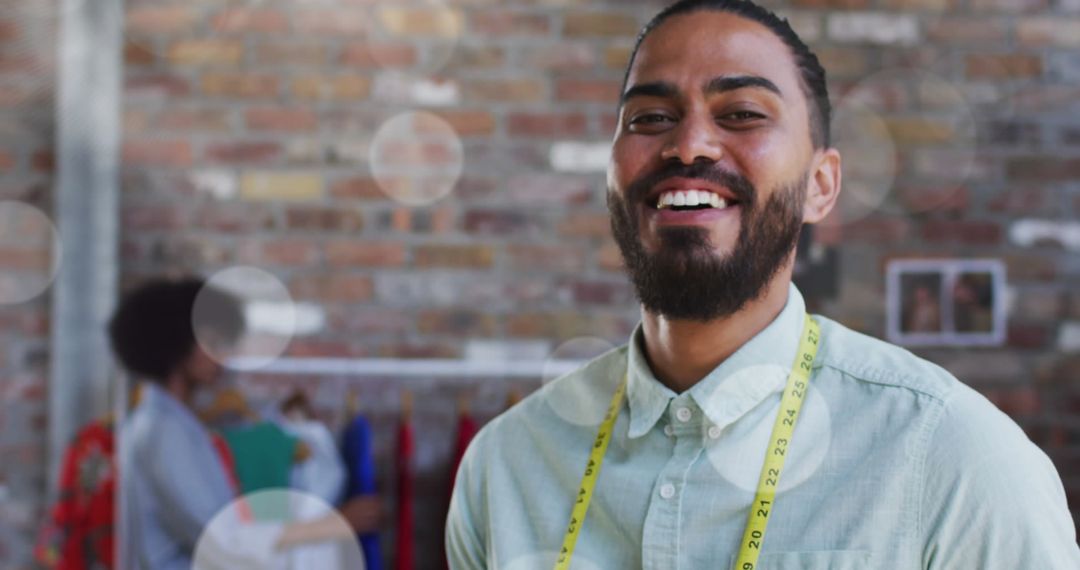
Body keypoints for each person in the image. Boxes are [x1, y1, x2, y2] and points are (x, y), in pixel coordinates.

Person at [445, 1, 1080, 568]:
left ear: (820, 186)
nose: (688, 146)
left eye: (743, 114)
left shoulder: (953, 457)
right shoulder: (506, 467)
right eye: (651, 117)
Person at [115, 277, 379, 569]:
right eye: (211, 343)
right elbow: (219, 537)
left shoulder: (172, 424)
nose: (222, 356)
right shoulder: (164, 432)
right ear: (177, 348)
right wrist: (330, 525)